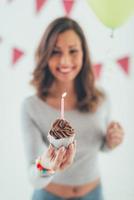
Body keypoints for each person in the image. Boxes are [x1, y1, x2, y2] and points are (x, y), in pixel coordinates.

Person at [21, 17, 124, 200]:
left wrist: (110, 141)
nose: (65, 60)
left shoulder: (101, 99)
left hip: (94, 193)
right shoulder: (31, 107)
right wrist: (46, 165)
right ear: (45, 55)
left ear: (84, 54)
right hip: (48, 195)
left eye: (73, 51)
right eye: (55, 51)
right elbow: (33, 174)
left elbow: (100, 146)